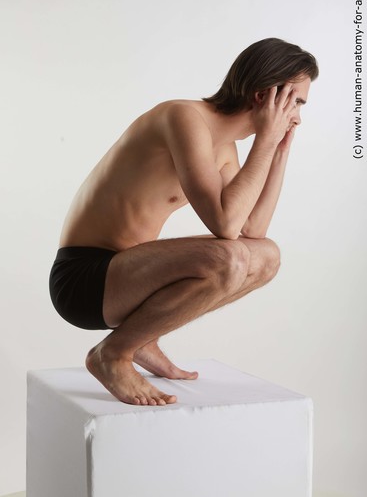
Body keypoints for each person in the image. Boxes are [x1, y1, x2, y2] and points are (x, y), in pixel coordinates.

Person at [49, 37, 319, 406]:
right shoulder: (184, 118)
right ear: (265, 96)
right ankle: (112, 353)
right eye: (297, 102)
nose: (298, 116)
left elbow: (253, 230)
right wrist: (267, 139)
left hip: (129, 283)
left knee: (267, 256)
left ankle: (141, 337)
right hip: (84, 278)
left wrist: (278, 151)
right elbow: (225, 228)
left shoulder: (225, 150)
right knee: (230, 258)